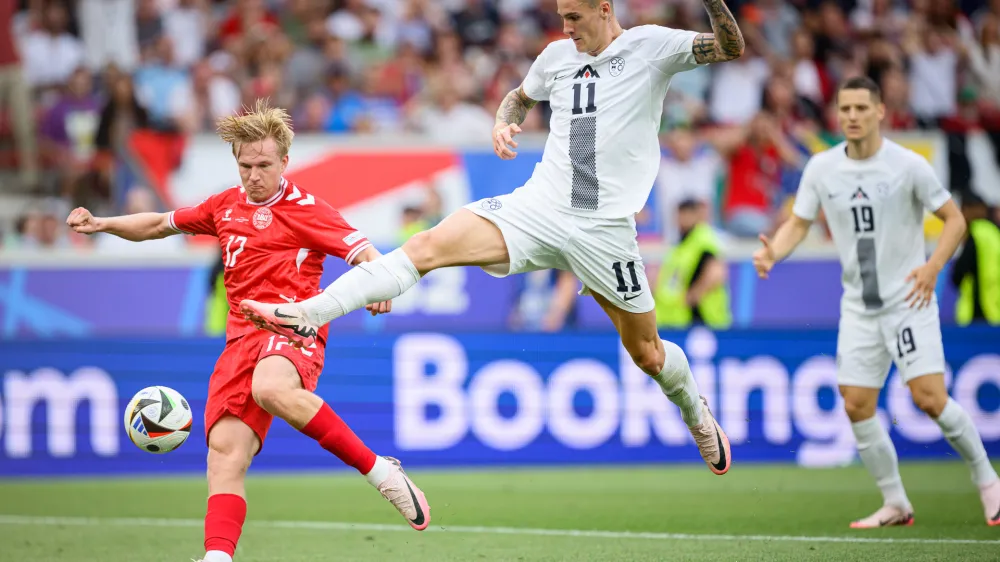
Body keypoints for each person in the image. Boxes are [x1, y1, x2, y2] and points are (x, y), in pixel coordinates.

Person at [242, 0, 745, 475]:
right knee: (426, 247)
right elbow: (520, 97)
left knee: (648, 355)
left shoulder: (650, 47)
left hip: (605, 229)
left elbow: (730, 47)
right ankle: (309, 313)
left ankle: (695, 413)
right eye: (560, 16)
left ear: (605, 9)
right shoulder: (556, 56)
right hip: (540, 207)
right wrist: (505, 122)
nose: (566, 27)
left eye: (574, 16)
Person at [66, 101, 430, 562]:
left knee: (270, 387)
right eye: (245, 165)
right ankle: (218, 558)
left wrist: (380, 283)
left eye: (263, 165)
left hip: (292, 327)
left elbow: (366, 252)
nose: (253, 175)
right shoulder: (224, 206)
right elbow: (159, 224)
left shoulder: (307, 209)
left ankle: (381, 471)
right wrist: (102, 224)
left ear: (284, 162)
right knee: (224, 457)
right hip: (240, 340)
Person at [752, 76, 1000, 528]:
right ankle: (896, 502)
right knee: (856, 404)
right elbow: (798, 223)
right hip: (859, 307)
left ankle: (988, 481)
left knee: (930, 398)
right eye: (844, 109)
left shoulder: (907, 165)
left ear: (880, 112)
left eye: (861, 109)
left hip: (908, 299)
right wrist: (773, 252)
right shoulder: (823, 168)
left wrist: (932, 268)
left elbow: (954, 220)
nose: (851, 116)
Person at [950, 192, 1000, 326]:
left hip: (978, 312)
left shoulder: (977, 234)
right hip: (995, 311)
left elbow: (957, 276)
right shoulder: (994, 233)